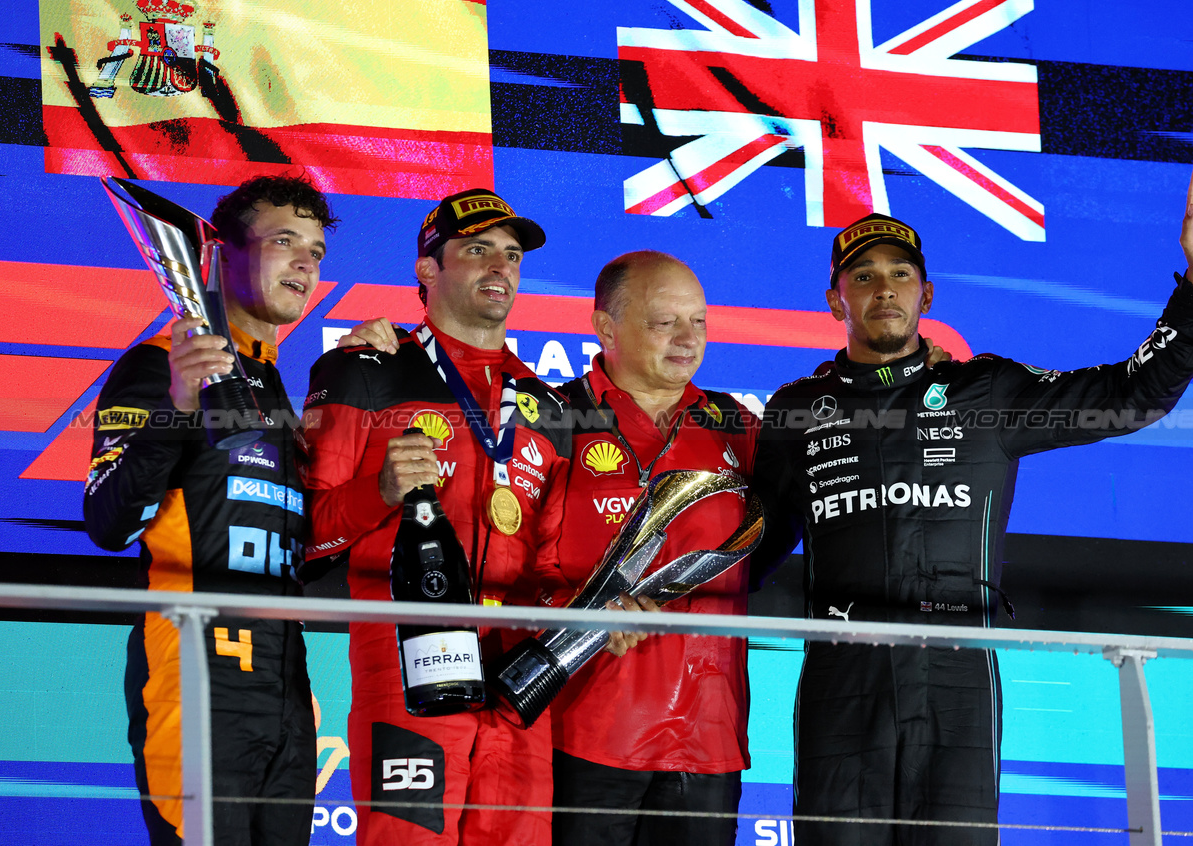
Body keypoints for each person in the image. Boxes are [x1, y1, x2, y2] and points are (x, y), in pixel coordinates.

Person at [749, 160, 1193, 844]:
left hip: (957, 673)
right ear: (836, 300)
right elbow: (749, 545)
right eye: (862, 276)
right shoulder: (797, 409)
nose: (883, 290)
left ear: (928, 293)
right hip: (844, 672)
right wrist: (661, 609)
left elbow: (1131, 396)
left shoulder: (987, 391)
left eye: (899, 275)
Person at [297, 189, 570, 845]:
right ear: (427, 269)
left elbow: (556, 561)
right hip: (408, 667)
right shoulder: (364, 371)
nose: (500, 268)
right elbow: (302, 538)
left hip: (520, 683)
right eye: (477, 251)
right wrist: (380, 492)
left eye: (510, 254)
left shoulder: (548, 406)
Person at [84, 175, 338, 845]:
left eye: (315, 250)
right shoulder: (158, 365)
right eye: (285, 242)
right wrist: (179, 405)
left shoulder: (278, 388)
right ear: (221, 254)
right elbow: (109, 523)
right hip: (197, 681)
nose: (305, 263)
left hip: (287, 693)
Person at [547, 251, 758, 846]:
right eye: (665, 322)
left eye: (699, 321)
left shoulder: (736, 426)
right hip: (588, 727)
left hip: (709, 736)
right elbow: (511, 557)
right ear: (606, 328)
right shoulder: (554, 420)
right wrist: (579, 613)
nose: (688, 339)